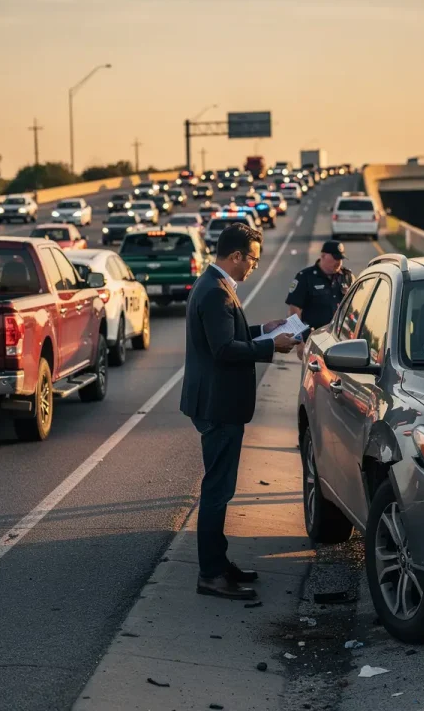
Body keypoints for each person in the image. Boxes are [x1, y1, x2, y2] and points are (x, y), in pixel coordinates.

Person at [180, 222, 298, 601]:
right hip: (218, 405)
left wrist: (266, 328)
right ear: (235, 256)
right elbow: (224, 350)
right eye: (253, 260)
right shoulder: (215, 292)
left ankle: (219, 562)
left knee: (221, 488)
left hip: (218, 401)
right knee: (217, 491)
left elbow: (231, 335)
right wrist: (270, 348)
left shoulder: (215, 286)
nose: (254, 268)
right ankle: (211, 574)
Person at [286, 241, 355, 357]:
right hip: (315, 341)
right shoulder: (305, 277)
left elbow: (355, 308)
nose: (339, 262)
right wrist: (299, 342)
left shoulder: (346, 277)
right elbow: (294, 312)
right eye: (335, 258)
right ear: (323, 256)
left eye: (341, 258)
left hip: (340, 340)